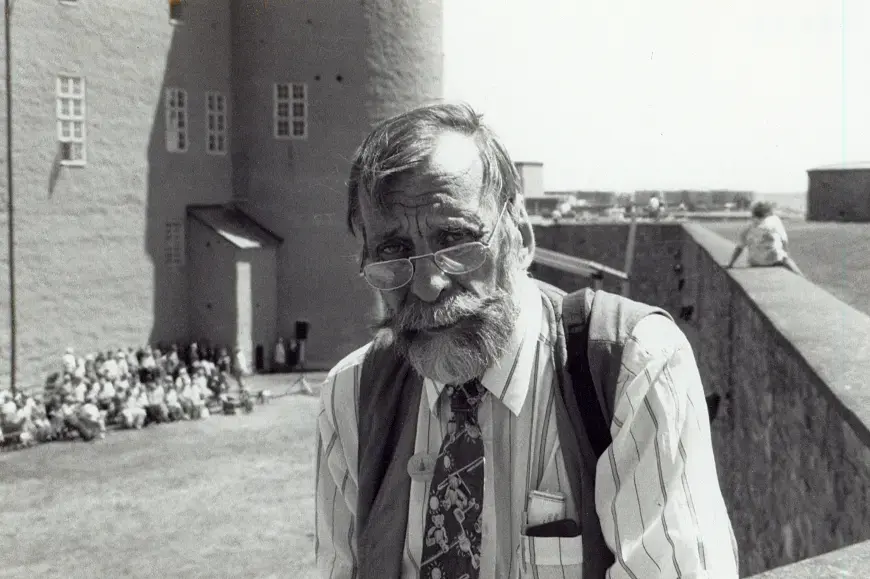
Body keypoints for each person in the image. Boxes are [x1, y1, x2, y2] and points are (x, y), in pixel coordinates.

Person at [315, 103, 739, 578]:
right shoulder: (352, 394)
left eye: (454, 239)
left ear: (520, 234)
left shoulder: (632, 367)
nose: (428, 286)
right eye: (393, 251)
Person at [726, 201, 803, 275]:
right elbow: (784, 241)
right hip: (774, 260)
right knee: (786, 259)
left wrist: (730, 264)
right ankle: (802, 278)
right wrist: (786, 254)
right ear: (768, 213)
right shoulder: (774, 221)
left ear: (754, 214)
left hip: (755, 263)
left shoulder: (747, 228)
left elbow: (739, 248)